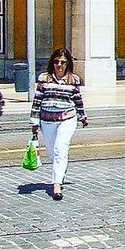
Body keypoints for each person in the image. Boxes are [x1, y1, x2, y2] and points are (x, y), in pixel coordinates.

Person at [30, 48, 86, 201]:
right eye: (56, 62)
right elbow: (37, 101)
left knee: (60, 149)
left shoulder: (73, 79)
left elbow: (78, 100)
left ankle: (56, 185)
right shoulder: (44, 78)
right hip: (47, 120)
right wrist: (34, 122)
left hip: (67, 119)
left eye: (63, 62)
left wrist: (82, 116)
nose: (59, 65)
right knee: (52, 153)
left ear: (68, 64)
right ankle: (60, 172)